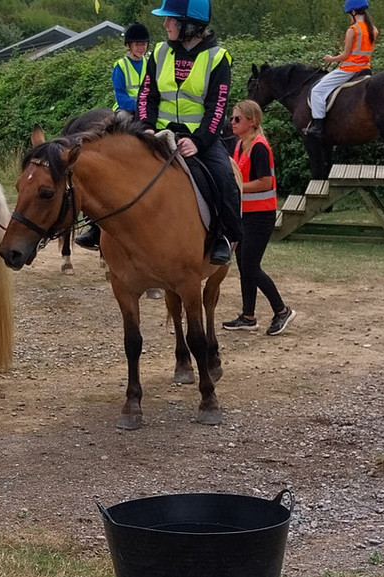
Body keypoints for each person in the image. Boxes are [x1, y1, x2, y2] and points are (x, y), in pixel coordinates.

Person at [137, 0, 242, 265]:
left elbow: (217, 107)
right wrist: (146, 126)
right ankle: (99, 227)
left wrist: (199, 141)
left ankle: (224, 236)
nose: (165, 24)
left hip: (197, 139)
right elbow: (146, 95)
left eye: (170, 19)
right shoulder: (160, 52)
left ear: (190, 25)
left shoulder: (218, 58)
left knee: (224, 177)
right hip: (157, 134)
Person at [73, 21, 152, 251]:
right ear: (129, 45)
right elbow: (121, 94)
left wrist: (150, 106)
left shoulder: (150, 63)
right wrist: (141, 105)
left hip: (149, 112)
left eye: (144, 44)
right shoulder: (121, 66)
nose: (141, 47)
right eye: (137, 44)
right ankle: (95, 227)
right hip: (127, 112)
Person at [222, 100, 295, 335]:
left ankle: (282, 310)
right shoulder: (240, 145)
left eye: (237, 119)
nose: (232, 123)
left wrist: (237, 186)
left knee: (251, 266)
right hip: (246, 214)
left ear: (252, 122)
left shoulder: (259, 147)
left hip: (260, 216)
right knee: (245, 265)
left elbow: (266, 182)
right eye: (232, 118)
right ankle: (248, 316)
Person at [305, 0, 378, 138]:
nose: (349, 17)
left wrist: (331, 59)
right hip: (365, 68)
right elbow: (358, 52)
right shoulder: (373, 29)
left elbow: (345, 55)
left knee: (317, 91)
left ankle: (318, 126)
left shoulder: (353, 30)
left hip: (349, 69)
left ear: (354, 12)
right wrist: (345, 56)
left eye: (349, 14)